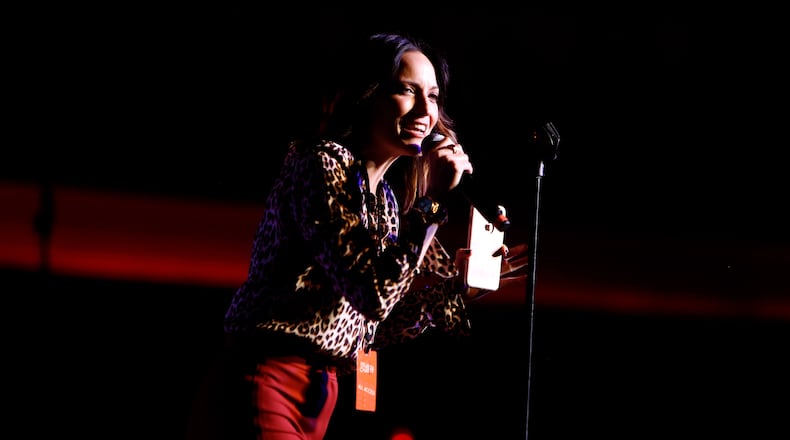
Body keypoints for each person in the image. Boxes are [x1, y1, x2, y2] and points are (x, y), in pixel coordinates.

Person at [186, 32, 528, 440]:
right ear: (367, 95)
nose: (425, 110)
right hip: (268, 376)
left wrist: (455, 290)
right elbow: (375, 291)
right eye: (407, 91)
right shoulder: (319, 165)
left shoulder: (384, 201)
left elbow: (368, 325)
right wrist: (433, 201)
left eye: (434, 96)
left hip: (323, 392)